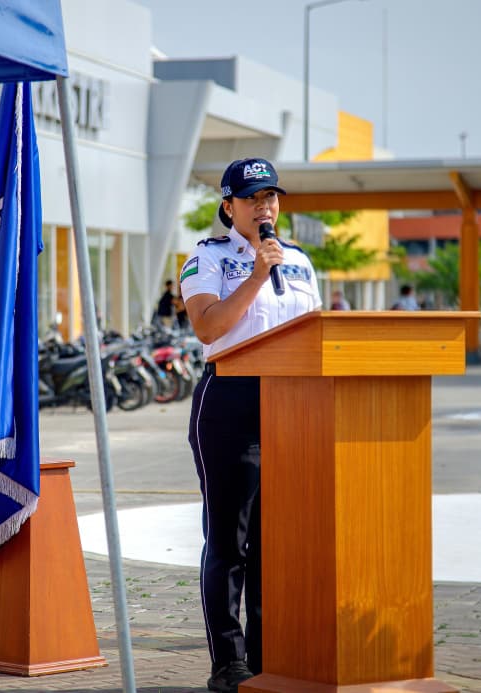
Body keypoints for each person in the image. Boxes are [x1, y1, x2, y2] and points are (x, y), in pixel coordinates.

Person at [179, 157, 322, 692]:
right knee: (230, 539)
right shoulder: (207, 257)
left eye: (271, 197)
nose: (265, 207)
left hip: (293, 404)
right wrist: (258, 275)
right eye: (253, 198)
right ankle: (229, 661)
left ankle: (269, 655)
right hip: (231, 400)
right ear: (228, 207)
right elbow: (208, 326)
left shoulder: (303, 263)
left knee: (274, 540)